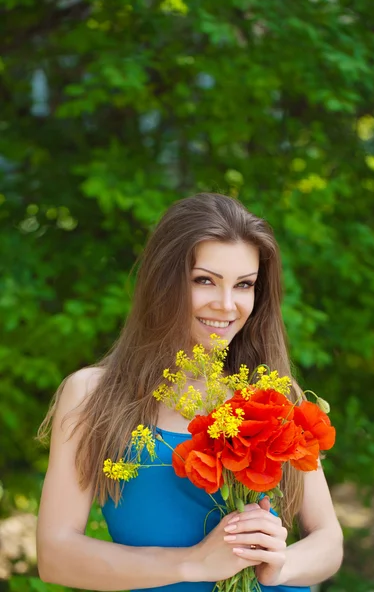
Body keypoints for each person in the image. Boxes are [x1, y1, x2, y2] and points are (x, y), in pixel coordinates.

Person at [36, 192, 343, 592]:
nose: (227, 305)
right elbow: (56, 556)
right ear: (163, 281)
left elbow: (329, 542)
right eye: (204, 280)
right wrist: (193, 563)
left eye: (245, 284)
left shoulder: (273, 395)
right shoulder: (92, 394)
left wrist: (280, 565)